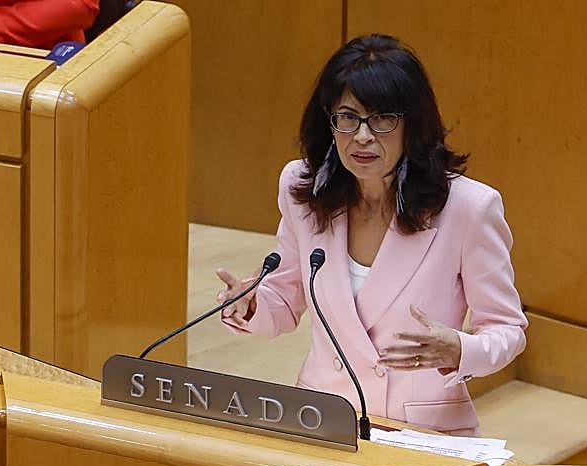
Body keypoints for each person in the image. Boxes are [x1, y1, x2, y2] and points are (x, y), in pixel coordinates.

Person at [218, 34, 527, 436]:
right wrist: (251, 304)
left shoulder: (468, 208)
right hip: (323, 420)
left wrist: (460, 349)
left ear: (412, 125)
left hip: (422, 433)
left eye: (382, 119)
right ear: (329, 122)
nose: (362, 137)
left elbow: (506, 329)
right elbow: (285, 297)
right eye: (348, 117)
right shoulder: (303, 190)